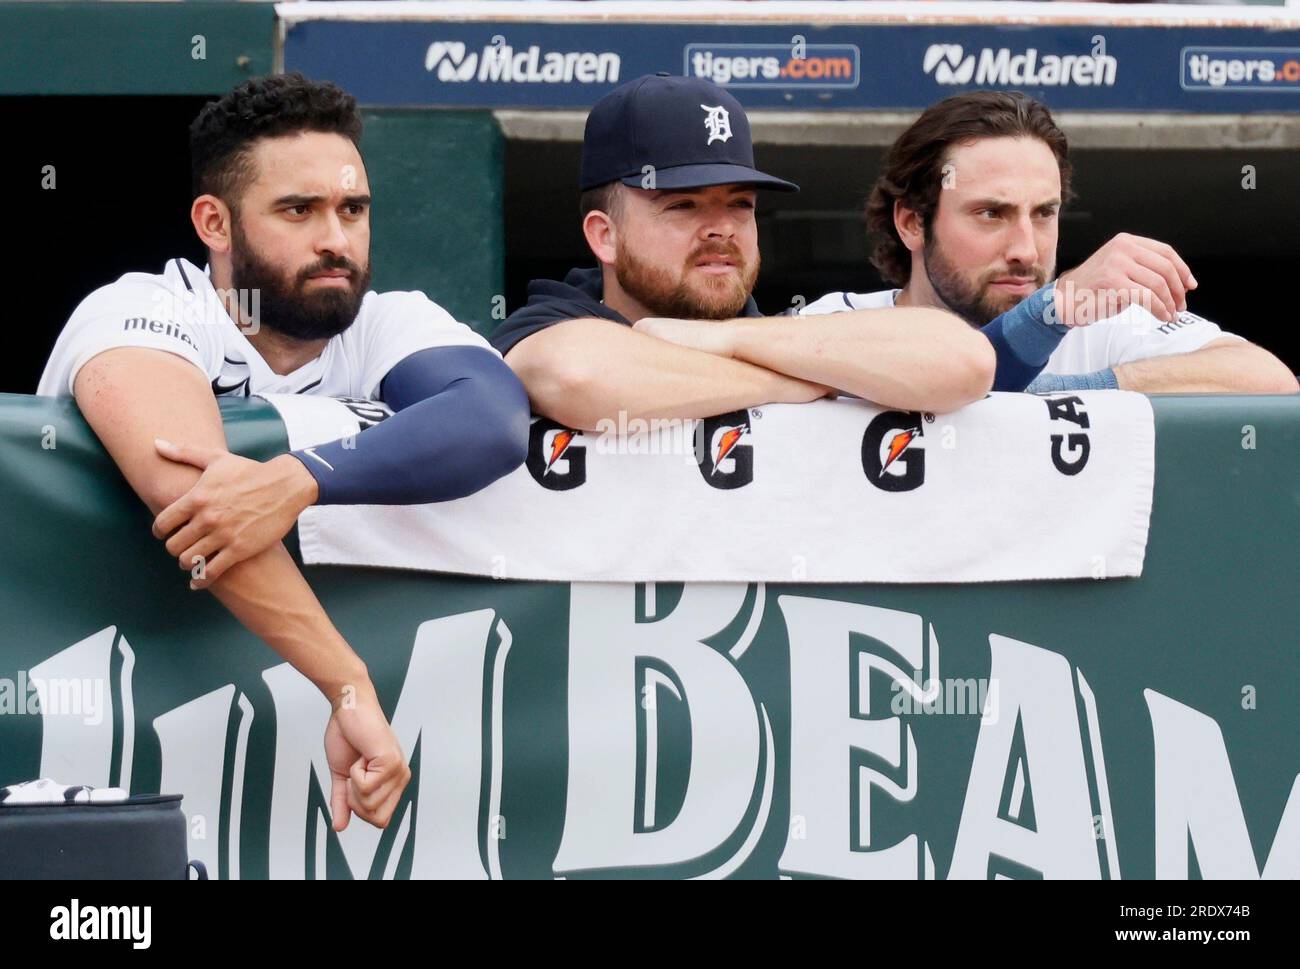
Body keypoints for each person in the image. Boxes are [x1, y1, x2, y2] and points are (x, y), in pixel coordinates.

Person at [37, 73, 531, 830]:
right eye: (298, 210)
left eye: (352, 210)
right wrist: (348, 685)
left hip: (285, 775)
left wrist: (301, 477)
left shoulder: (384, 322)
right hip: (95, 733)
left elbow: (493, 420)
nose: (335, 239)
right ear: (215, 221)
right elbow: (200, 506)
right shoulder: (142, 308)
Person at [489, 73, 1004, 430]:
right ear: (605, 235)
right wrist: (802, 381)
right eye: (683, 205)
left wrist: (728, 339)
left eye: (740, 204)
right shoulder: (549, 323)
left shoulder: (775, 331)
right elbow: (575, 374)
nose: (721, 228)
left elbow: (967, 360)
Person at [801, 90, 1298, 395]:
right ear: (911, 223)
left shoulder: (1097, 320)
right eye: (991, 213)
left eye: (1043, 214)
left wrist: (1061, 391)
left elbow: (1270, 380)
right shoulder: (833, 322)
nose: (1026, 249)